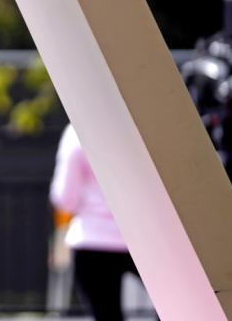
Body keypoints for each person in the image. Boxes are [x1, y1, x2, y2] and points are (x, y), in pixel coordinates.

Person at [50, 123, 146, 321]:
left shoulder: (76, 132)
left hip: (93, 240)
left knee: (106, 315)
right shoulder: (141, 126)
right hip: (144, 239)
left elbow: (65, 198)